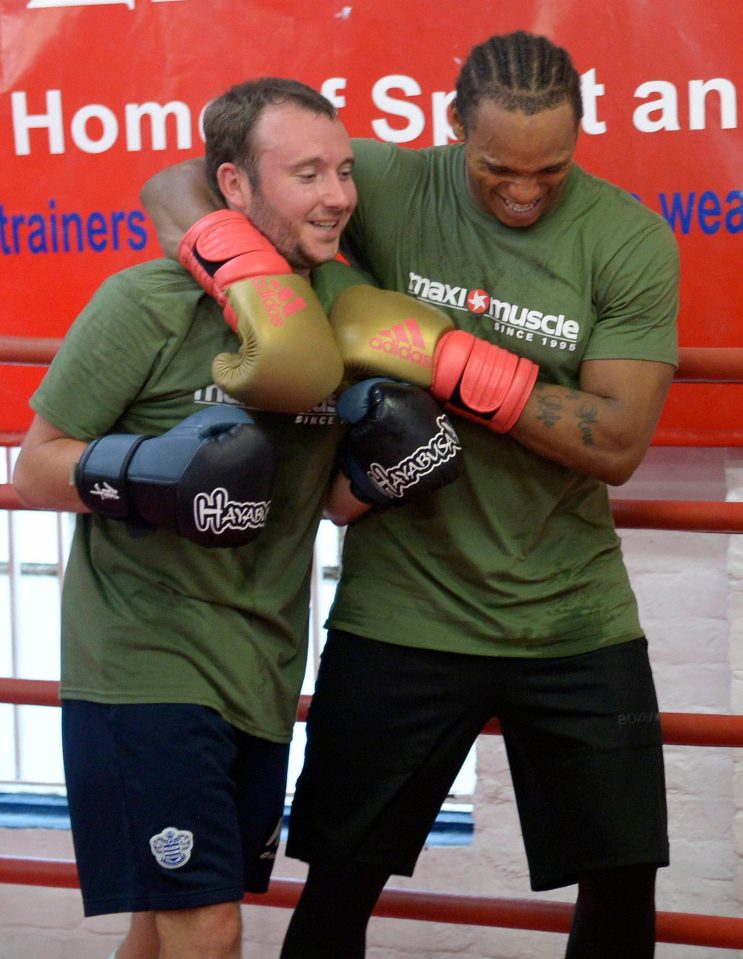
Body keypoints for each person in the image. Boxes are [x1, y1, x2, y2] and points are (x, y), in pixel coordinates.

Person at [140, 30, 679, 959]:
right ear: (451, 128)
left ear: (581, 137)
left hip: (571, 613)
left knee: (621, 879)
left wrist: (450, 360)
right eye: (497, 167)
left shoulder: (626, 239)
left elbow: (620, 439)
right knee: (342, 878)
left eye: (548, 170)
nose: (522, 189)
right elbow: (174, 184)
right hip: (403, 608)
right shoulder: (390, 182)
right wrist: (262, 287)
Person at [13, 77, 462, 959]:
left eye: (343, 170)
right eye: (306, 174)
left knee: (165, 923)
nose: (337, 195)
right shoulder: (145, 303)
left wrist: (387, 469)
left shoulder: (339, 320)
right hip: (142, 663)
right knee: (208, 930)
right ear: (233, 187)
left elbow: (323, 504)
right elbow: (35, 468)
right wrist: (151, 476)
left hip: (259, 665)